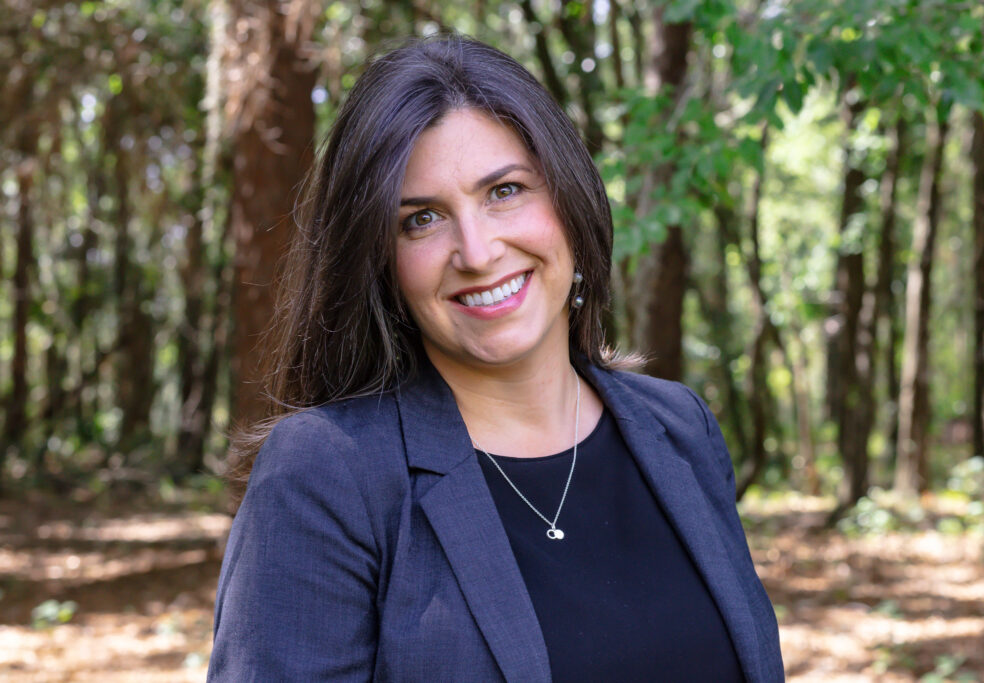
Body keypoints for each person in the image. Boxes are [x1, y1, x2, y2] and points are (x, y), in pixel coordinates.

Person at [208, 34, 784, 682]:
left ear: (570, 197)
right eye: (421, 219)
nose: (478, 251)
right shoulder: (326, 473)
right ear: (379, 261)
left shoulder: (681, 427)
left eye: (505, 191)